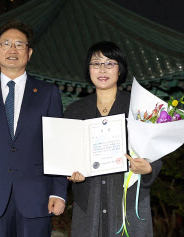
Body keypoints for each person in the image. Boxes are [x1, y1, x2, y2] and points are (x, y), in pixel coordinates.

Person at [0, 19, 68, 237]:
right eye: (6, 43)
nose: (12, 49)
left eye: (20, 44)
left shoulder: (48, 93)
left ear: (29, 53)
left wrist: (59, 192)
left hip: (37, 195)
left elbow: (57, 146)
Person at [65, 41, 162, 237]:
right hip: (89, 200)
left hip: (128, 199)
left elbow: (156, 151)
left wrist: (149, 168)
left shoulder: (139, 107)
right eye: (96, 63)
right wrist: (70, 172)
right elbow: (67, 155)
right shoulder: (75, 110)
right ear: (88, 69)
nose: (102, 69)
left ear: (120, 69)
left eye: (110, 63)